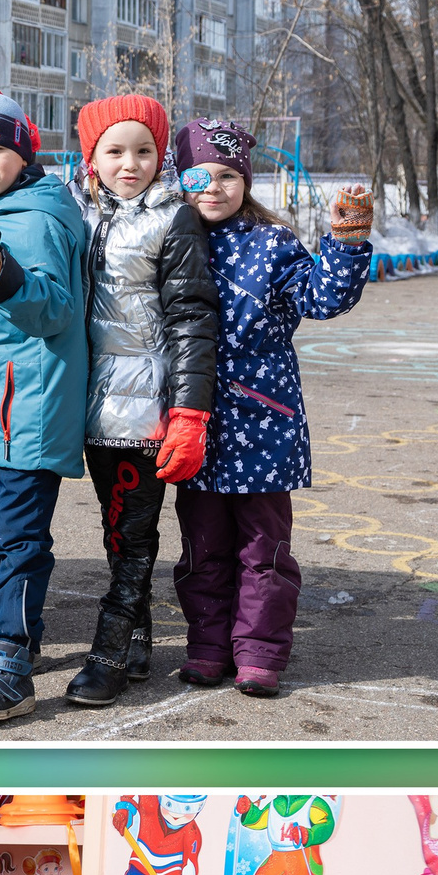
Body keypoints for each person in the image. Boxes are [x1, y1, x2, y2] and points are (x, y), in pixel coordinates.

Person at [166, 119, 372, 696]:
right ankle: (208, 646)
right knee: (202, 548)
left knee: (265, 551)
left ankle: (258, 652)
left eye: (227, 176)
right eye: (198, 176)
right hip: (195, 428)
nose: (213, 187)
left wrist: (346, 242)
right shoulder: (170, 239)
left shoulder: (271, 243)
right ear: (179, 181)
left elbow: (323, 297)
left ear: (246, 182)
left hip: (263, 426)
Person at [66, 95, 218, 707]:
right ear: (92, 156)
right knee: (114, 525)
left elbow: (192, 319)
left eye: (144, 151)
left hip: (145, 405)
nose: (130, 164)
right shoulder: (71, 210)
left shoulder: (173, 219)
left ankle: (107, 650)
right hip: (84, 397)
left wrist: (188, 411)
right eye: (115, 151)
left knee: (134, 531)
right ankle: (137, 637)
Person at [0, 91, 90, 721]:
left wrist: (12, 285)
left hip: (24, 406)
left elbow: (56, 309)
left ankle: (11, 662)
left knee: (18, 536)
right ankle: (14, 638)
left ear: (23, 154)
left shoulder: (35, 218)